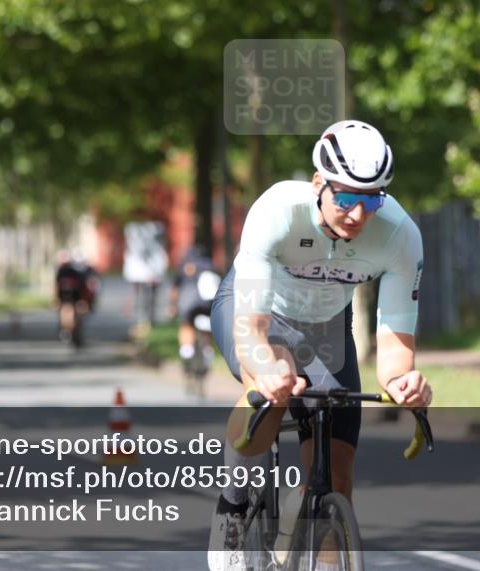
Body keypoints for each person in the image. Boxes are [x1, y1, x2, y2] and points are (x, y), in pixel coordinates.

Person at [207, 120, 432, 571]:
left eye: (372, 200)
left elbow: (395, 342)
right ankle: (233, 503)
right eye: (346, 198)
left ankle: (319, 541)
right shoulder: (277, 211)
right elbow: (251, 329)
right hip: (257, 311)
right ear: (318, 184)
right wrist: (266, 367)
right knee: (273, 383)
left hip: (327, 326)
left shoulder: (400, 236)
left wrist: (402, 381)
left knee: (338, 475)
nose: (358, 214)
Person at [168, 244, 220, 366]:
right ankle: (207, 350)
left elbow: (175, 289)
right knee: (207, 326)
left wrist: (173, 306)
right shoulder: (211, 265)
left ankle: (187, 350)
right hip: (209, 303)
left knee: (187, 324)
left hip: (189, 304)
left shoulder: (184, 266)